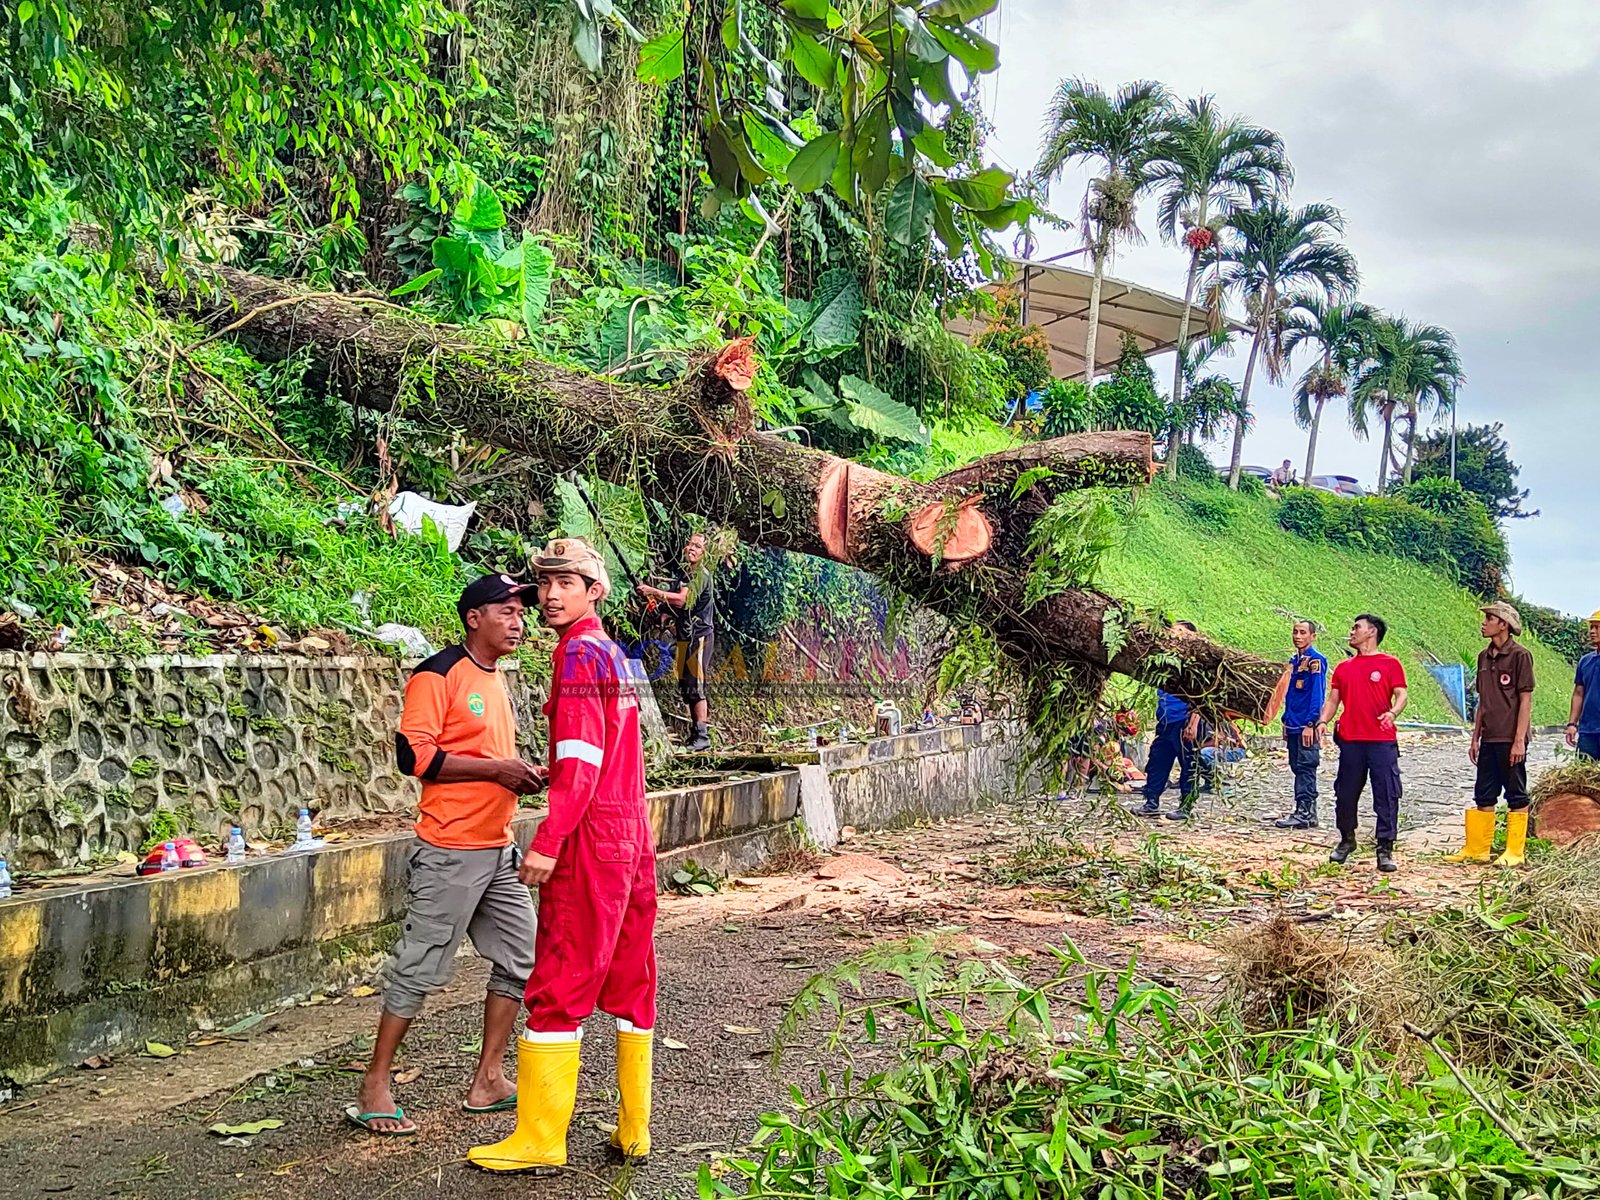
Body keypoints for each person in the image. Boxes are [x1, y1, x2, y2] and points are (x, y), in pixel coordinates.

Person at [470, 537, 657, 1172]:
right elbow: (608, 751)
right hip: (631, 828)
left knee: (558, 977)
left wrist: (549, 840)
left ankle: (541, 1137)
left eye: (565, 583)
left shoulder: (576, 655)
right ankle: (635, 1129)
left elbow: (582, 760)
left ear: (593, 591)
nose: (549, 595)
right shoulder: (613, 653)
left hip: (592, 836)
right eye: (543, 584)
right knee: (633, 977)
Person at [348, 574, 545, 1137]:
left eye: (520, 613)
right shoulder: (438, 673)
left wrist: (521, 775)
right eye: (505, 611)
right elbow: (415, 755)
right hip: (450, 849)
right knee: (420, 967)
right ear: (473, 618)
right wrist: (496, 770)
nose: (518, 621)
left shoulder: (496, 678)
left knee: (521, 957)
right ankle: (375, 1086)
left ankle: (488, 1078)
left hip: (497, 847)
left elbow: (488, 755)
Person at [1315, 614, 1408, 872]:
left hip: (1381, 741)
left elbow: (1401, 694)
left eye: (1357, 627)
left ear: (1372, 632)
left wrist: (1393, 713)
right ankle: (1346, 840)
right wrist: (1323, 721)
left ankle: (1385, 848)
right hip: (1351, 741)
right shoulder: (1344, 668)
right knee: (1345, 793)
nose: (1352, 631)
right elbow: (1333, 700)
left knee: (1386, 794)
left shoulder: (1390, 664)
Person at [1446, 603, 1536, 867]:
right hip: (1489, 737)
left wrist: (1519, 739)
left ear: (1504, 624)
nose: (1483, 623)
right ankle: (1478, 848)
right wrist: (1475, 738)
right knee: (1484, 793)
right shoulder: (1483, 657)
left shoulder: (1521, 656)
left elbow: (1525, 700)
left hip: (1511, 738)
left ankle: (1515, 852)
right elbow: (1484, 701)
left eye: (1489, 618)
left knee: (1516, 793)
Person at [638, 531, 716, 751]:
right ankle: (695, 735)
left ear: (705, 553)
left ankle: (703, 736)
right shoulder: (684, 575)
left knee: (696, 684)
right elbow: (670, 607)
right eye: (690, 544)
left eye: (698, 546)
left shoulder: (701, 575)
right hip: (684, 636)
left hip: (699, 636)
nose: (692, 548)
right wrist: (658, 610)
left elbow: (682, 600)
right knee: (686, 684)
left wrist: (653, 590)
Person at [1136, 621, 1201, 822]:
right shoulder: (1165, 664)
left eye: (1179, 632)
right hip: (1165, 722)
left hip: (1183, 722)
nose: (1173, 636)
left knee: (1188, 765)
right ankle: (1151, 801)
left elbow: (1201, 697)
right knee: (1157, 762)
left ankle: (1186, 805)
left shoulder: (1194, 666)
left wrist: (1193, 723)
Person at [1274, 619, 1328, 829]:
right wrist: (1286, 720)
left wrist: (1310, 723)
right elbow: (1290, 694)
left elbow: (1317, 695)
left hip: (1306, 723)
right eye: (1295, 632)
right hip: (1293, 722)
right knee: (1297, 766)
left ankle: (1304, 812)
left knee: (1306, 766)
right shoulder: (1294, 661)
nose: (1298, 636)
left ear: (1312, 636)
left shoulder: (1316, 661)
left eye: (1303, 632)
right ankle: (1307, 812)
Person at [1569, 608, 1600, 760]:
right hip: (1587, 731)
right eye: (1591, 627)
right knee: (1584, 779)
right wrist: (1572, 724)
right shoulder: (1585, 661)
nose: (1592, 631)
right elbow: (1578, 693)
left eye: (1597, 627)